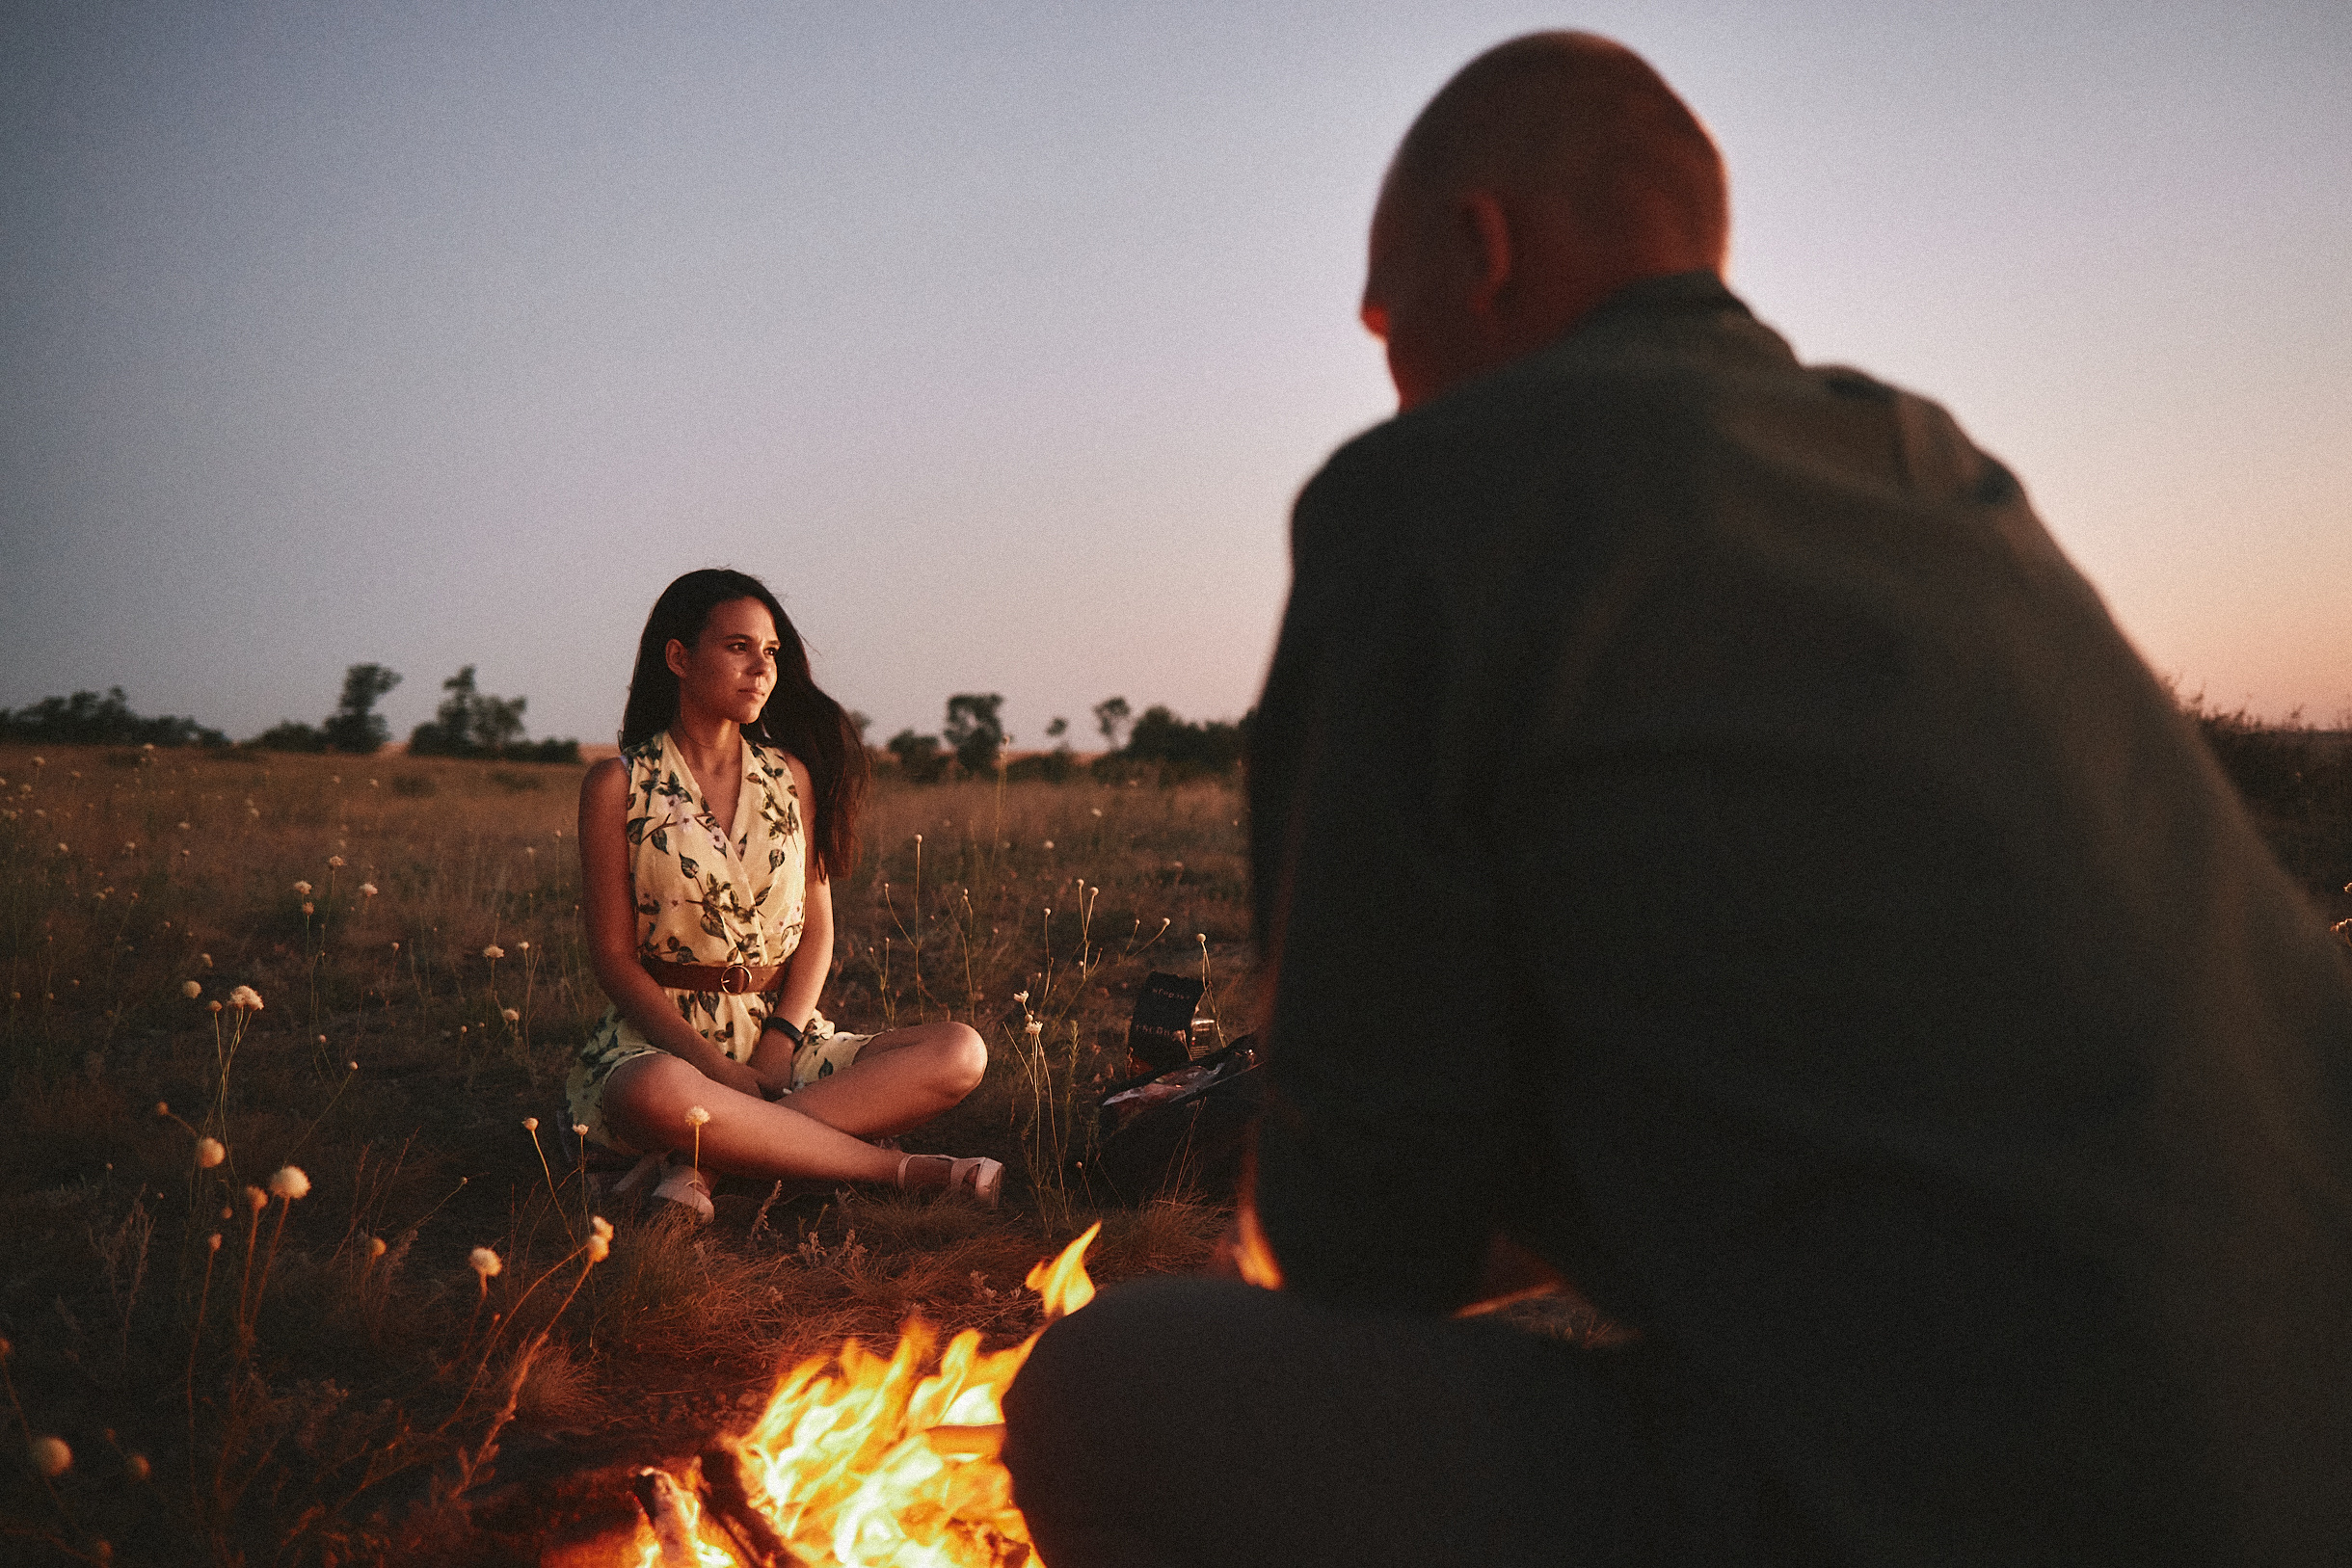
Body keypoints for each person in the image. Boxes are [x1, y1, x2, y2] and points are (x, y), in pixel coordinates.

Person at [1003, 32, 2352, 1566]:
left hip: (1981, 1498)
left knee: (1111, 1390)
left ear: (1481, 245)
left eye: (1386, 312)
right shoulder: (1937, 469)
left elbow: (1349, 1244)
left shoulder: (1425, 496)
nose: (1384, 355)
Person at [568, 568, 1001, 1216]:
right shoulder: (618, 784)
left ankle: (699, 1163)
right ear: (680, 657)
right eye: (738, 646)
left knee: (960, 1051)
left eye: (769, 652)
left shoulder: (790, 776)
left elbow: (818, 931)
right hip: (664, 1041)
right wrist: (714, 1069)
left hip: (782, 1033)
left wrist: (780, 1039)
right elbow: (614, 959)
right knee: (657, 1091)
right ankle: (904, 1171)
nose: (761, 668)